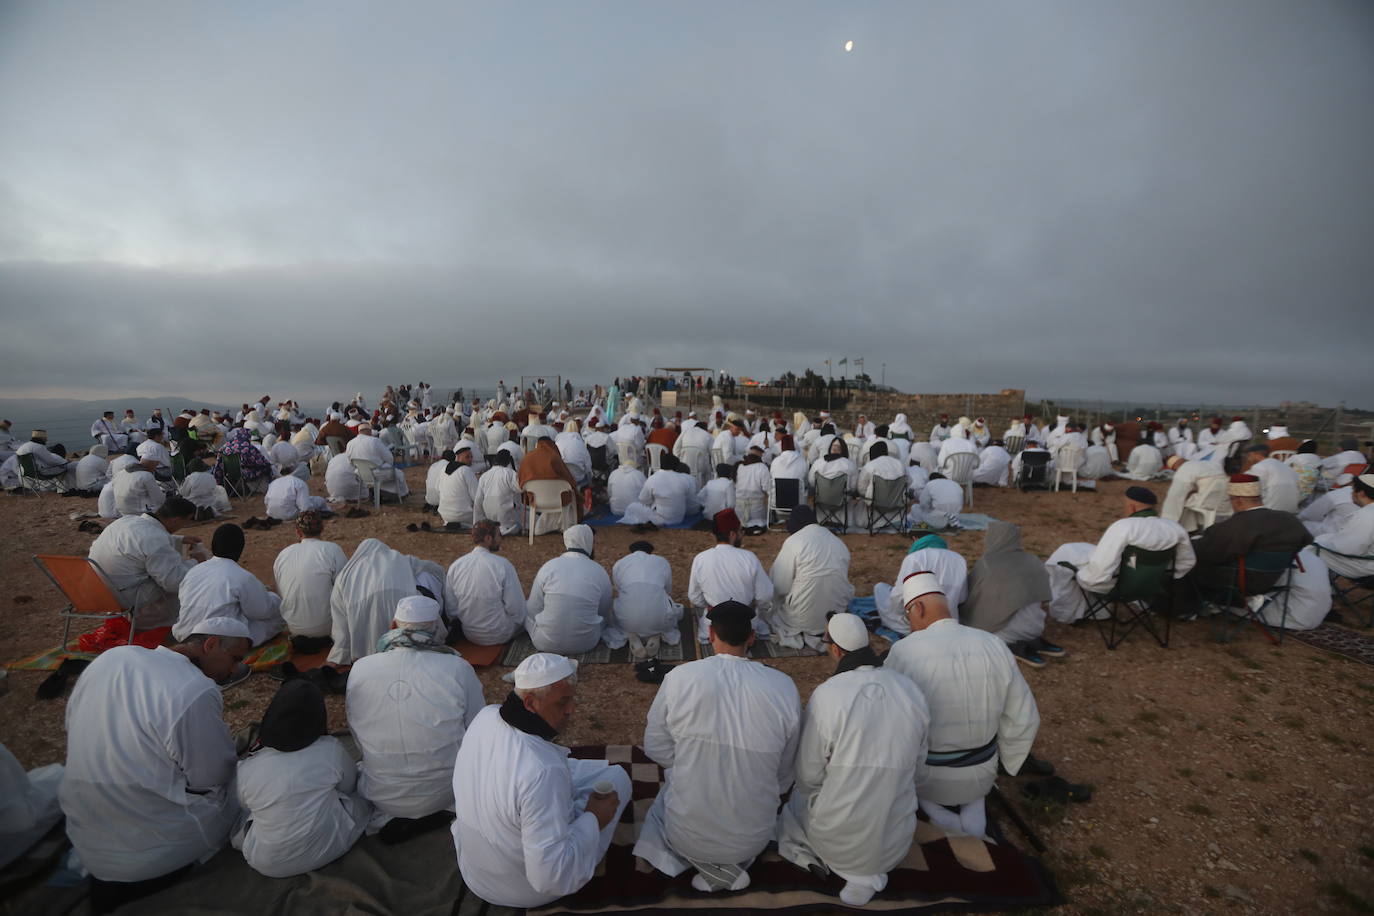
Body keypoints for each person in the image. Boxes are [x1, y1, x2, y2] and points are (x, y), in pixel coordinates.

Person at [60, 617, 250, 912]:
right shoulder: (194, 688)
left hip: (87, 840)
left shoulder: (111, 658)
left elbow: (72, 724)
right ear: (210, 644)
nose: (234, 669)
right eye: (235, 658)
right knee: (247, 777)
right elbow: (211, 776)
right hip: (158, 850)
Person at [634, 601, 801, 892]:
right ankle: (732, 866)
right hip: (753, 839)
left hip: (686, 839)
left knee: (672, 787)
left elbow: (656, 746)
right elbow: (785, 772)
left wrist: (690, 767)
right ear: (751, 637)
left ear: (710, 634)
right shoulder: (783, 686)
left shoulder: (679, 678)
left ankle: (711, 868)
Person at [450, 653, 630, 907]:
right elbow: (549, 877)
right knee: (618, 778)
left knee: (573, 771)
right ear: (531, 703)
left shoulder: (487, 716)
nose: (572, 709)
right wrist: (593, 818)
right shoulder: (542, 771)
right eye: (562, 703)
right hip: (525, 890)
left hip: (475, 872)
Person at [776, 613, 929, 906]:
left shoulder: (828, 695)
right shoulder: (910, 689)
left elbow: (808, 776)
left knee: (793, 805)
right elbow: (919, 767)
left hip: (836, 845)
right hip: (895, 844)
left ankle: (857, 874)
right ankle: (869, 872)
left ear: (834, 649)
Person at [886, 574, 1039, 839]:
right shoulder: (994, 644)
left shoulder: (902, 652)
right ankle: (973, 823)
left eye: (908, 615)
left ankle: (945, 822)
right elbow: (1025, 717)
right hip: (983, 772)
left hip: (927, 778)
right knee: (972, 791)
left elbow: (889, 725)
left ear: (918, 608)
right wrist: (1008, 760)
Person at [348, 595, 485, 842]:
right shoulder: (457, 668)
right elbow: (476, 730)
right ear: (435, 629)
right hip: (446, 791)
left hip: (383, 794)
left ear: (393, 627)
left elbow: (357, 734)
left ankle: (399, 814)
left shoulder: (361, 668)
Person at [233, 680, 369, 877]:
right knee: (362, 795)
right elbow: (349, 786)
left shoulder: (248, 768)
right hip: (333, 846)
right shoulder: (330, 749)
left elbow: (244, 806)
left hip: (268, 865)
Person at [1045, 487, 1196, 624]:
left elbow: (1101, 570)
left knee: (1066, 557)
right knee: (1083, 552)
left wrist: (1083, 576)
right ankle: (1097, 612)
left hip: (1119, 588)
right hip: (1153, 586)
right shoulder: (1175, 529)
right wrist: (1157, 576)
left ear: (1132, 507)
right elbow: (1187, 562)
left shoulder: (1124, 527)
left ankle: (1065, 613)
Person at [1179, 474, 1315, 615]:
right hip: (1273, 580)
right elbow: (1306, 541)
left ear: (1237, 500)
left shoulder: (1239, 524)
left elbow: (1210, 554)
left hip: (1240, 583)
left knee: (1186, 565)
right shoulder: (1289, 519)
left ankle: (1185, 610)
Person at [89, 497, 208, 628]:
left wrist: (179, 540)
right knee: (182, 581)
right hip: (123, 595)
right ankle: (168, 625)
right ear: (176, 520)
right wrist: (196, 562)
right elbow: (173, 582)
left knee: (162, 569)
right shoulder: (155, 538)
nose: (185, 525)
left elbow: (141, 543)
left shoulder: (127, 521)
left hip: (97, 588)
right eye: (187, 521)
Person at [327, 538, 446, 666]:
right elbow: (433, 568)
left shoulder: (345, 577)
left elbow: (342, 629)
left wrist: (340, 655)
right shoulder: (401, 560)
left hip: (365, 658)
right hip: (410, 651)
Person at [961, 522, 1064, 667]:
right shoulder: (1033, 560)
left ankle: (1012, 645)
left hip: (1001, 631)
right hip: (1035, 627)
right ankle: (1032, 640)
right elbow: (1044, 599)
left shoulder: (987, 563)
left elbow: (970, 596)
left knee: (972, 619)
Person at [173, 523, 284, 648]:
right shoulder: (242, 576)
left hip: (184, 636)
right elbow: (262, 611)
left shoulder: (193, 571)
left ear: (213, 546)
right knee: (278, 616)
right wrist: (274, 597)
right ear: (240, 549)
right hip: (216, 643)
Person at [768, 507, 854, 649]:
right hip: (834, 617)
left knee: (767, 612)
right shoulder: (838, 542)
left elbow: (779, 585)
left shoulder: (794, 541)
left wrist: (771, 606)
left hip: (801, 619)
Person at [687, 509, 774, 643]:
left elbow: (694, 597)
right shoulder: (749, 558)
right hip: (746, 626)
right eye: (741, 531)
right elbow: (765, 596)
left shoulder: (701, 558)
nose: (742, 534)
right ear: (733, 534)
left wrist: (714, 606)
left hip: (714, 627)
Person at [526, 525, 613, 654]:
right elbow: (603, 610)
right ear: (587, 542)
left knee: (525, 611)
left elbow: (533, 608)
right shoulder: (599, 571)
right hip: (587, 643)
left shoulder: (549, 566)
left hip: (544, 643)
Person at [272, 511, 347, 653]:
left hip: (294, 628)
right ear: (322, 529)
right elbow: (345, 589)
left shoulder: (283, 554)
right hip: (327, 628)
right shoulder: (332, 550)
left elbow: (281, 591)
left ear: (298, 532)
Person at [443, 521, 528, 646]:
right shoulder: (502, 565)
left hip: (469, 633)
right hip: (500, 634)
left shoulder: (456, 566)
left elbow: (452, 610)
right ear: (488, 538)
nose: (501, 539)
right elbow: (516, 609)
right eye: (499, 535)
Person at [605, 541, 683, 660]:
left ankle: (630, 633)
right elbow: (667, 590)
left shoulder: (620, 563)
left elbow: (619, 589)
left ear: (631, 552)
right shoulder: (662, 562)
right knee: (670, 607)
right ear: (650, 552)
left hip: (628, 620)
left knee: (620, 606)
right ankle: (656, 634)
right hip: (658, 619)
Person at [878, 533, 968, 633]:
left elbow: (898, 596)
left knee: (879, 588)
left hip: (917, 625)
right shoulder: (959, 559)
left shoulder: (915, 557)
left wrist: (898, 615)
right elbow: (962, 598)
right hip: (951, 622)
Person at [1160, 454, 1229, 532]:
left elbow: (1175, 496)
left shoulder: (1185, 468)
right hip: (1225, 500)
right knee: (1189, 496)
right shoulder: (1212, 464)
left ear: (1175, 467)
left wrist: (1166, 520)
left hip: (1207, 502)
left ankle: (1187, 529)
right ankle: (1193, 527)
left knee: (1180, 501)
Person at [345, 424, 409, 501]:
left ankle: (379, 492)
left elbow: (350, 463)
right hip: (378, 474)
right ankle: (398, 495)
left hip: (361, 475)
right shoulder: (374, 441)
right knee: (398, 473)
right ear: (369, 431)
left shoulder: (350, 443)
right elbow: (389, 458)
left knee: (386, 470)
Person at [473, 449, 523, 534]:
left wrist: (476, 524)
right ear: (508, 461)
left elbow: (478, 501)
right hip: (507, 521)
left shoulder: (484, 476)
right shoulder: (510, 473)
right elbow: (520, 488)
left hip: (489, 520)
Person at [1241, 443, 1300, 514]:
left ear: (1254, 454)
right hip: (1291, 512)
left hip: (1270, 512)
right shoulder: (1287, 468)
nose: (1248, 458)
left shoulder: (1260, 467)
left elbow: (1248, 487)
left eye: (1249, 455)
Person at [1300, 469, 1363, 537]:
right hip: (1354, 537)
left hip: (1331, 537)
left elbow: (1309, 514)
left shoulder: (1340, 494)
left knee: (1300, 523)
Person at [214, 427, 273, 495]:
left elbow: (218, 465)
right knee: (266, 467)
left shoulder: (224, 447)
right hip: (244, 474)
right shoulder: (248, 447)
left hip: (229, 474)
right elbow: (261, 462)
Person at [438, 445, 480, 529]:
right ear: (457, 458)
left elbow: (439, 491)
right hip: (464, 516)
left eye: (471, 457)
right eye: (467, 457)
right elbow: (477, 496)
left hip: (445, 515)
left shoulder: (443, 469)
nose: (470, 459)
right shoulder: (466, 470)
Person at [263, 469, 328, 521]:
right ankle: (329, 513)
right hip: (290, 515)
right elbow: (305, 508)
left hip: (272, 514)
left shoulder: (273, 483)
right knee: (320, 500)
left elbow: (266, 501)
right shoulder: (299, 482)